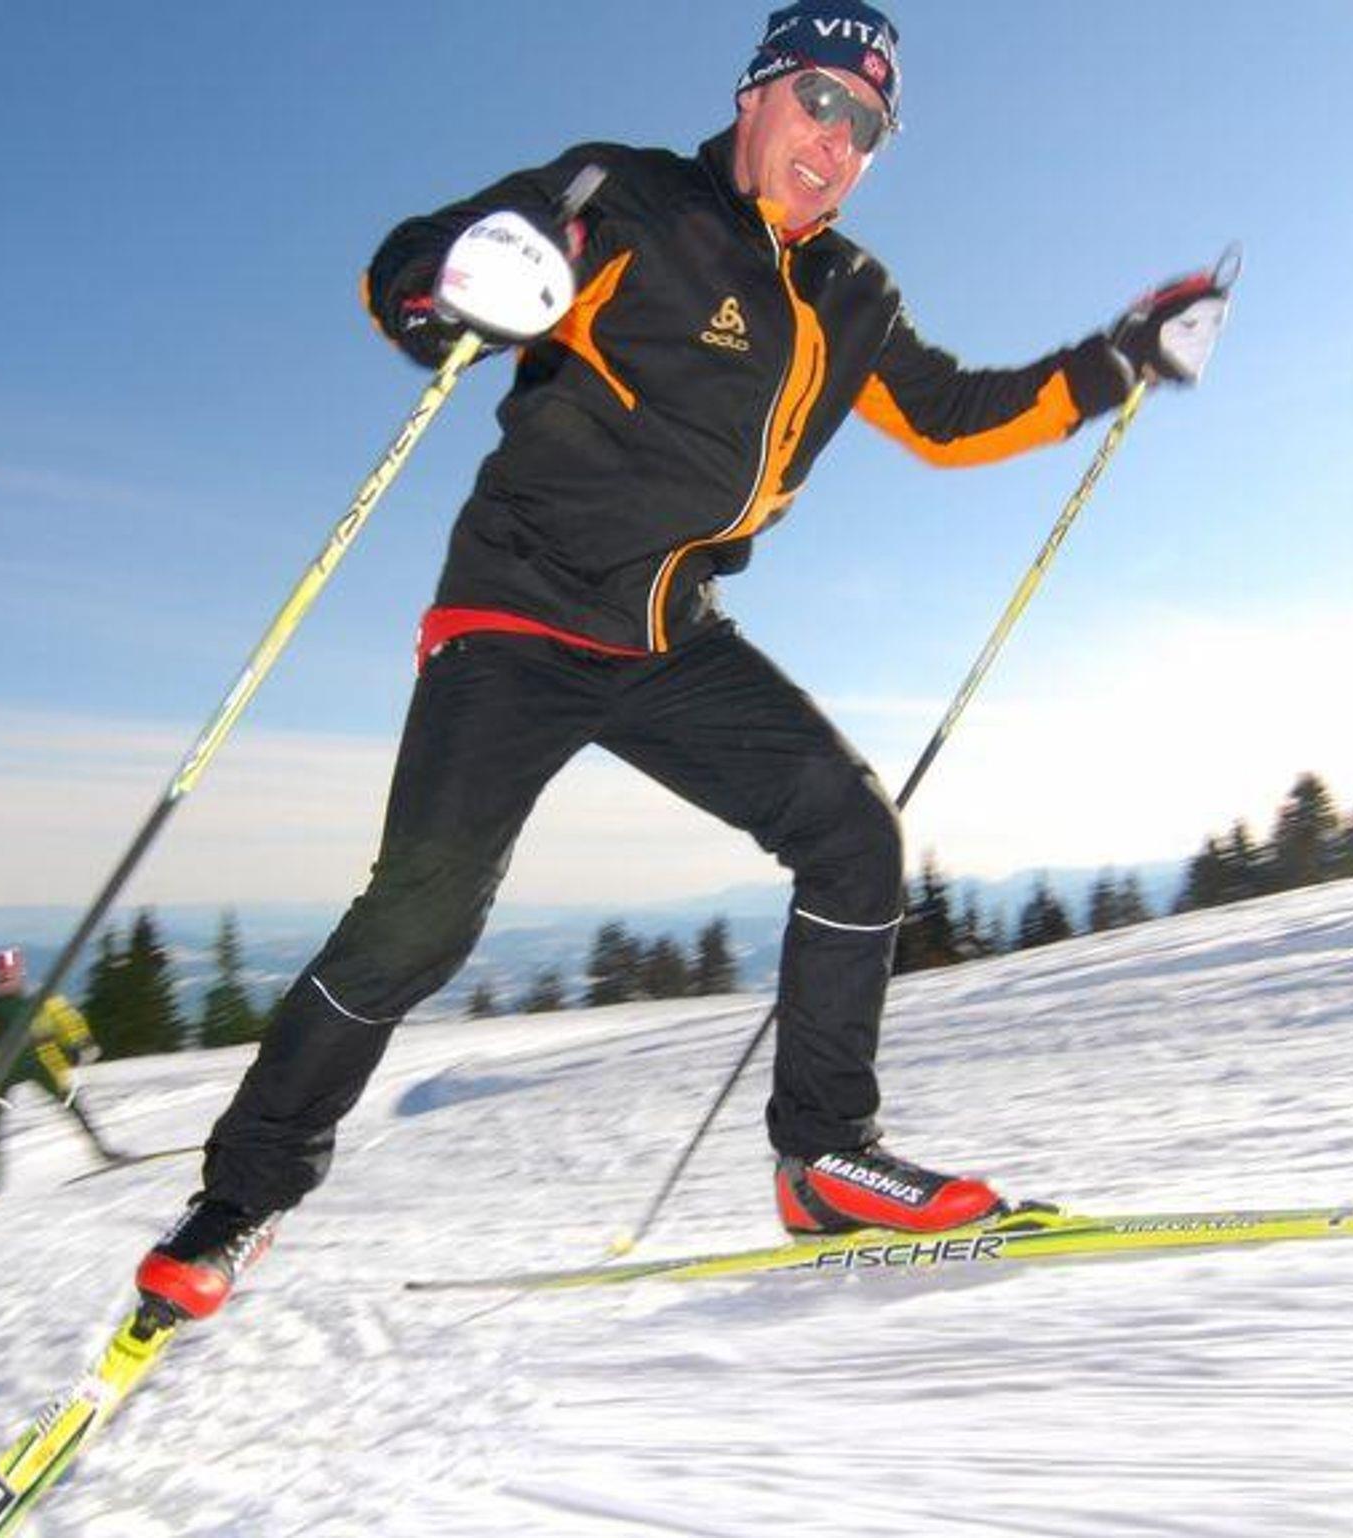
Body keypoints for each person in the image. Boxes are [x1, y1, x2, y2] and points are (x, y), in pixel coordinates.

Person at [136, 0, 1229, 1321]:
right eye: (819, 100)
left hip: (668, 630)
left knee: (853, 838)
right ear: (755, 92)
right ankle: (238, 1198)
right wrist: (457, 287)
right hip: (517, 614)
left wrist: (1124, 357)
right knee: (419, 919)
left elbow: (953, 419)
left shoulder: (852, 295)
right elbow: (419, 271)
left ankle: (824, 1161)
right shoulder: (632, 199)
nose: (837, 139)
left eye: (867, 126)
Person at [0, 947, 123, 1194]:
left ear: (20, 973)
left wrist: (83, 1042)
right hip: (4, 1069)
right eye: (0, 975)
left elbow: (67, 1018)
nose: (5, 979)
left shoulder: (41, 996)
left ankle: (103, 1151)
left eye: (9, 974)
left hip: (42, 1063)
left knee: (71, 1104)